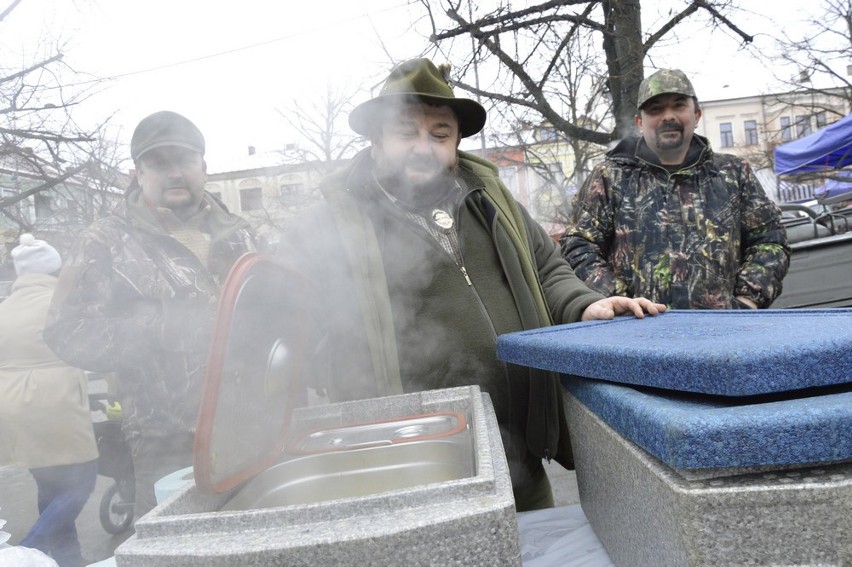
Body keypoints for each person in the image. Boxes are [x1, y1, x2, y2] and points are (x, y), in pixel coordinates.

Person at [276, 58, 665, 512]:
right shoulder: (328, 224)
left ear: (456, 143)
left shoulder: (491, 200)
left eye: (439, 134)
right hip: (410, 465)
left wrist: (584, 305)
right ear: (376, 140)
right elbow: (290, 324)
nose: (424, 147)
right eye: (406, 133)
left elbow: (548, 270)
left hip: (519, 453)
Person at [44, 111, 259, 520]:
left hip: (251, 429)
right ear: (137, 173)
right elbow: (65, 331)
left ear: (205, 168)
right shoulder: (104, 241)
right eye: (160, 163)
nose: (175, 173)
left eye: (185, 160)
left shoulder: (241, 234)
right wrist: (161, 327)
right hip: (167, 443)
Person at [560, 69, 790, 310]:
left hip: (723, 335)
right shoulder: (610, 177)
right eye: (655, 109)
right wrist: (619, 301)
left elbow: (770, 241)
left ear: (697, 114)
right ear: (640, 122)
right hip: (636, 335)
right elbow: (578, 245)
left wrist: (747, 300)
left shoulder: (733, 173)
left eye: (678, 106)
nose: (667, 116)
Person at [0, 233, 98, 567]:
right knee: (83, 477)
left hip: (12, 403)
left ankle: (71, 559)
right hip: (56, 399)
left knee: (50, 483)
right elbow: (91, 349)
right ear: (55, 270)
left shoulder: (4, 308)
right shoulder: (61, 304)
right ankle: (28, 550)